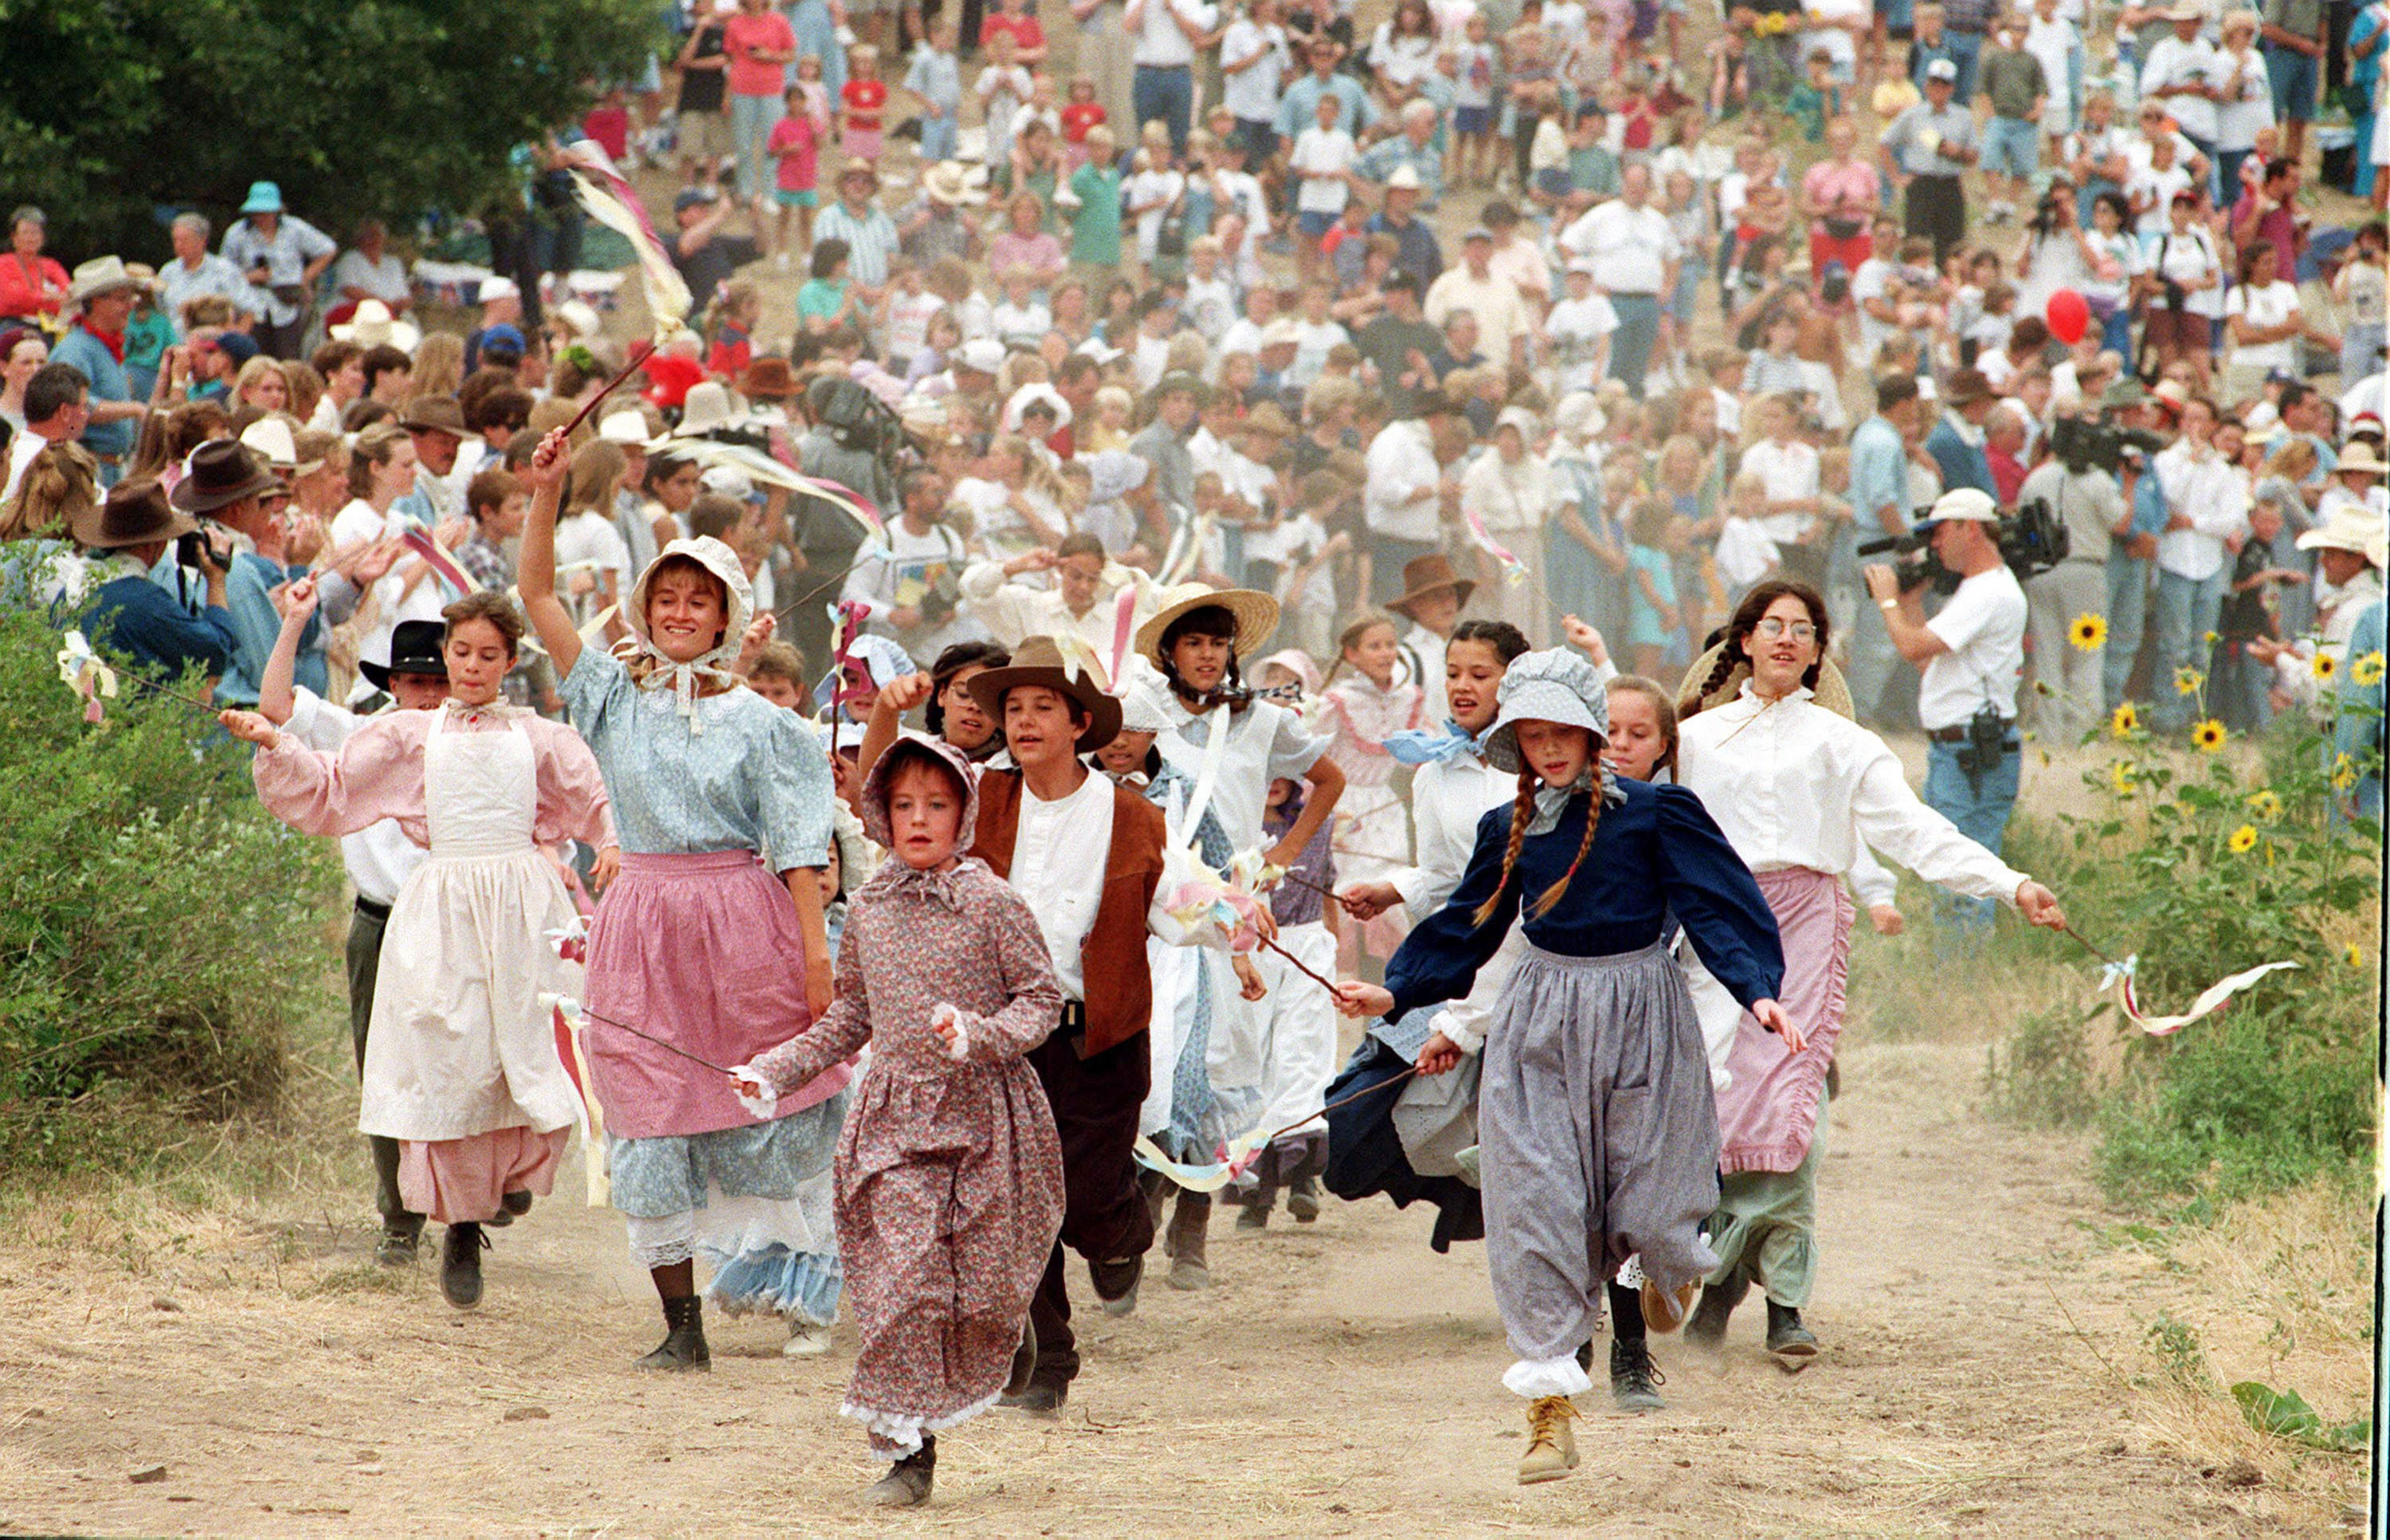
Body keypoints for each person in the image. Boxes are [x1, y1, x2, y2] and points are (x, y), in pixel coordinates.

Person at [1333, 647, 1793, 1485]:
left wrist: (1758, 991)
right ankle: (1550, 1416)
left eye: (1561, 732)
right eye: (1530, 735)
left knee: (1654, 1207)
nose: (1547, 749)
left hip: (1642, 1018)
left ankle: (1668, 1269)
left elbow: (1719, 906)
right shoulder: (1503, 830)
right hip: (1538, 1026)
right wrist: (1394, 994)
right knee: (1537, 1205)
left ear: (1589, 735)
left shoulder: (1660, 812)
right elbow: (1466, 929)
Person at [517, 429, 848, 1369]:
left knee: (770, 1111)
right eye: (665, 596)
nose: (679, 611)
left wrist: (817, 961)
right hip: (643, 927)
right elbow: (538, 595)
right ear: (645, 607)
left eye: (698, 600)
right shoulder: (612, 699)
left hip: (745, 930)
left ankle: (804, 1288)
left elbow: (797, 852)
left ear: (726, 615)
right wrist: (546, 491)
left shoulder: (768, 725)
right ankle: (681, 1326)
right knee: (648, 1113)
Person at [1674, 582, 2066, 1360]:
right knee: (1716, 1116)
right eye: (1771, 626)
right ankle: (1714, 1284)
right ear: (1743, 641)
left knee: (1797, 1116)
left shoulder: (1845, 745)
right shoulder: (1693, 741)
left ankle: (1785, 1303)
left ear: (1820, 651)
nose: (1786, 638)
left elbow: (1917, 831)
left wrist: (2010, 883)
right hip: (1714, 931)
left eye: (1804, 629)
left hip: (1807, 933)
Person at [226, 590, 613, 1306]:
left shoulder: (538, 736)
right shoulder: (409, 734)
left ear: (509, 660)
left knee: (523, 1051)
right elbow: (335, 782)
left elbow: (592, 795)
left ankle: (506, 1183)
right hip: (442, 908)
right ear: (446, 653)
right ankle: (459, 1227)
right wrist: (275, 743)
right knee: (449, 1057)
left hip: (523, 906)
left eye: (487, 655)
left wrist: (612, 841)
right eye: (460, 652)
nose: (470, 667)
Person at [732, 737, 1065, 1508]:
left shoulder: (995, 904)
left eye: (937, 805)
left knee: (978, 1283)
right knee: (903, 1282)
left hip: (988, 1119)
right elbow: (850, 1013)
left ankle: (1005, 1332)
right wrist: (775, 1069)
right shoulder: (873, 909)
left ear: (965, 813)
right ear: (881, 813)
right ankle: (909, 1454)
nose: (919, 819)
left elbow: (1041, 1001)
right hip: (895, 1122)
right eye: (905, 805)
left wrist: (979, 1033)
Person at [1861, 487, 2031, 930]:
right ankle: (1960, 967)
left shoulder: (1986, 591)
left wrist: (1888, 600)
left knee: (1963, 872)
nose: (1934, 545)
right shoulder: (1982, 589)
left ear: (1968, 528)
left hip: (1970, 751)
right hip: (1962, 748)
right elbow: (1929, 664)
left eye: (1938, 533)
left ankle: (1964, 972)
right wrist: (1913, 602)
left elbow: (1911, 644)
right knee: (1954, 866)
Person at [72, 478, 235, 683]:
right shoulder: (146, 601)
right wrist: (216, 580)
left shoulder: (75, 584)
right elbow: (215, 651)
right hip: (130, 711)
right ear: (155, 546)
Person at [1557, 166, 1683, 397]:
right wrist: (1587, 282)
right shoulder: (1602, 215)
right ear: (1623, 185)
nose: (1636, 190)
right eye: (1631, 184)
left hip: (1647, 303)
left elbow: (1674, 256)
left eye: (1641, 185)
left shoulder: (1657, 221)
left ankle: (1631, 416)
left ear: (1649, 188)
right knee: (1611, 365)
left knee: (1638, 367)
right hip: (1611, 301)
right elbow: (1567, 244)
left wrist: (1669, 286)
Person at [51, 260, 148, 482]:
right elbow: (71, 406)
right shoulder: (76, 349)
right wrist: (133, 409)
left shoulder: (103, 345)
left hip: (109, 468)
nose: (130, 306)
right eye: (122, 298)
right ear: (96, 302)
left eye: (131, 298)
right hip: (87, 469)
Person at [1879, 59, 1980, 264]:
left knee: (1951, 243)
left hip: (1949, 182)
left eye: (1945, 85)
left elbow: (1974, 156)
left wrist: (1958, 151)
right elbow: (1884, 143)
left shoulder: (1963, 117)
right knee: (1916, 241)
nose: (1939, 90)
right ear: (1926, 86)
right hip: (1922, 183)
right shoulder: (1913, 115)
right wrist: (1896, 177)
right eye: (1934, 84)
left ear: (1952, 88)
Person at [218, 183, 335, 359]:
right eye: (257, 212)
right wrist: (250, 277)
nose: (261, 217)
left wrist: (307, 277)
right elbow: (223, 272)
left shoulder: (294, 228)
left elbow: (328, 248)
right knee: (255, 357)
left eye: (266, 212)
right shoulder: (237, 233)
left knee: (290, 356)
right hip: (251, 305)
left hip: (288, 303)